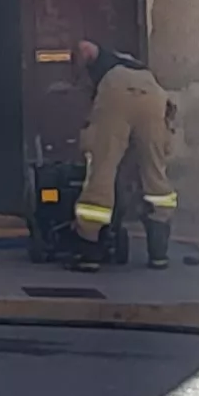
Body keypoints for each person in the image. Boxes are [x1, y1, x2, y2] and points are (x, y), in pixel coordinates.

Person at [70, 39, 180, 272]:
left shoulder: (102, 60)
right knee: (155, 172)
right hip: (154, 94)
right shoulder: (132, 62)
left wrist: (76, 74)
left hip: (116, 90)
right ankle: (159, 252)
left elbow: (84, 46)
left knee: (102, 168)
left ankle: (89, 251)